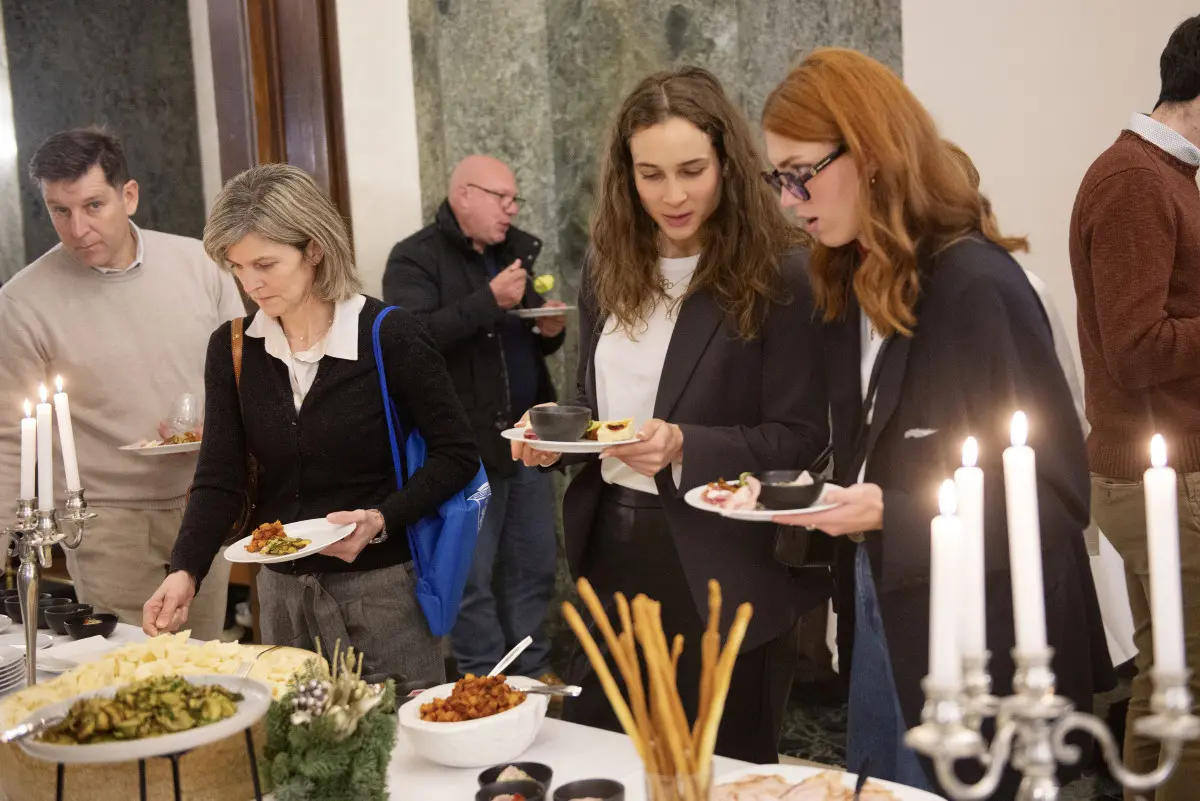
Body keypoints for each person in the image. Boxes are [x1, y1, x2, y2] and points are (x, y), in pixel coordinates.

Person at [763, 49, 1113, 795]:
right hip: (882, 600)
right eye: (778, 179)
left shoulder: (977, 286)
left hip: (981, 638)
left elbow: (1056, 493)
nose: (790, 200)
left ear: (872, 152)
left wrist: (894, 507)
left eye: (801, 173)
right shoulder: (850, 275)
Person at [512, 66, 831, 763]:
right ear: (626, 175)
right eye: (650, 174)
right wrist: (554, 437)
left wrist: (687, 444)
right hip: (611, 552)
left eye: (692, 169)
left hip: (725, 562)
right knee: (605, 760)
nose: (673, 194)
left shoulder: (783, 271)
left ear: (728, 161)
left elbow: (804, 437)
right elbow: (599, 413)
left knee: (717, 766)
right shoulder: (609, 264)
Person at [142, 164, 479, 691]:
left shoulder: (390, 335)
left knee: (399, 759)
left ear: (315, 249)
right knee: (299, 761)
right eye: (236, 267)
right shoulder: (232, 348)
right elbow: (219, 478)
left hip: (384, 596)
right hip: (281, 601)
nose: (250, 283)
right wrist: (184, 570)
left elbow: (457, 455)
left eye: (266, 264)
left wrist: (381, 519)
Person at [0, 128, 242, 640]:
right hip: (105, 524)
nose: (78, 227)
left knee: (207, 666)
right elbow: (12, 436)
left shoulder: (200, 265)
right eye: (59, 211)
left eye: (92, 205)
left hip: (204, 504)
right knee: (127, 677)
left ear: (128, 195)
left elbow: (247, 377)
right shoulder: (23, 301)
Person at [1069, 15, 1200, 800]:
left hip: (1162, 472)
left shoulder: (1163, 176)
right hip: (1161, 475)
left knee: (1168, 681)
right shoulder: (1134, 180)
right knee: (1189, 692)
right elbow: (1136, 345)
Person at [383, 155, 565, 681]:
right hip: (464, 452)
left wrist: (549, 330)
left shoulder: (511, 255)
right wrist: (488, 300)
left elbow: (516, 345)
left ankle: (533, 678)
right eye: (501, 198)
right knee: (472, 579)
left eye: (515, 200)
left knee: (532, 570)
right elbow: (412, 342)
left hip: (527, 442)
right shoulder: (414, 259)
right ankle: (485, 682)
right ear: (463, 194)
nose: (511, 210)